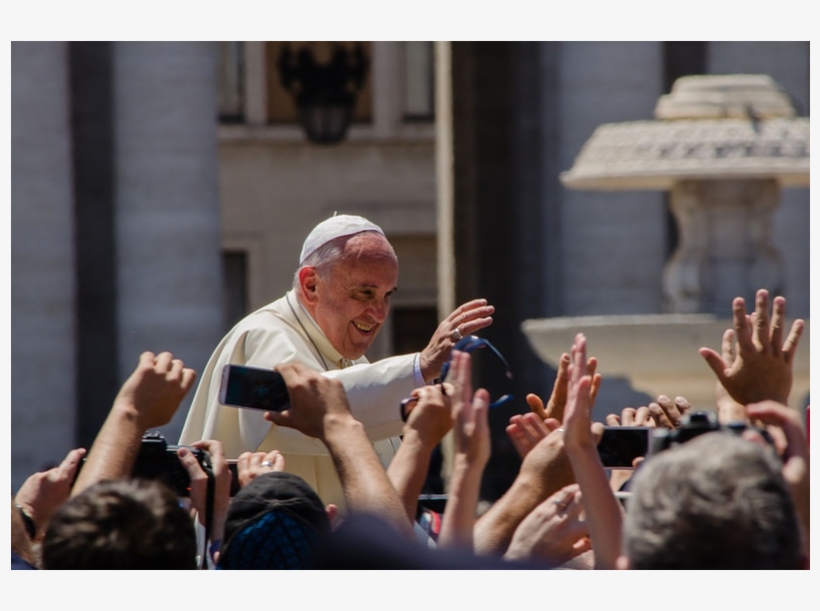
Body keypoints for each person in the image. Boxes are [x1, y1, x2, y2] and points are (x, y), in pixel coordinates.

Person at [179, 214, 494, 506]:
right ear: (311, 285)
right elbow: (308, 408)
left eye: (387, 295)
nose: (379, 313)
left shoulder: (355, 366)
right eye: (364, 293)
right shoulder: (263, 335)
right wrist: (420, 366)